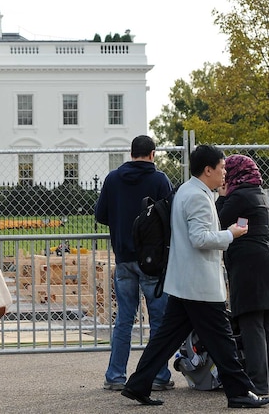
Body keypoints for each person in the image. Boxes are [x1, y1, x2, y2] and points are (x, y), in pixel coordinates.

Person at [121, 144, 269, 409]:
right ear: (208, 169)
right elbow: (199, 238)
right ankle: (239, 392)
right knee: (222, 340)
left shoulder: (188, 191)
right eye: (222, 167)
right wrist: (231, 234)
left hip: (186, 282)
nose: (225, 173)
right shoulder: (198, 197)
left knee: (166, 338)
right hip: (200, 284)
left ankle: (137, 384)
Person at [93, 135, 175, 391]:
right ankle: (159, 375)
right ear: (152, 154)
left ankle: (116, 375)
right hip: (152, 258)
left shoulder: (113, 179)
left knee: (124, 319)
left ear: (131, 153)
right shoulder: (159, 179)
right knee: (159, 320)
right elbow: (171, 213)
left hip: (124, 257)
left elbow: (100, 214)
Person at [216, 154, 269, 395]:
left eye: (228, 171)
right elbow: (239, 223)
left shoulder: (239, 196)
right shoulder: (257, 194)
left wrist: (221, 196)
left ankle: (258, 384)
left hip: (250, 265)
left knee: (251, 324)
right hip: (268, 262)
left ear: (237, 173)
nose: (224, 176)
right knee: (265, 324)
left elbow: (218, 220)